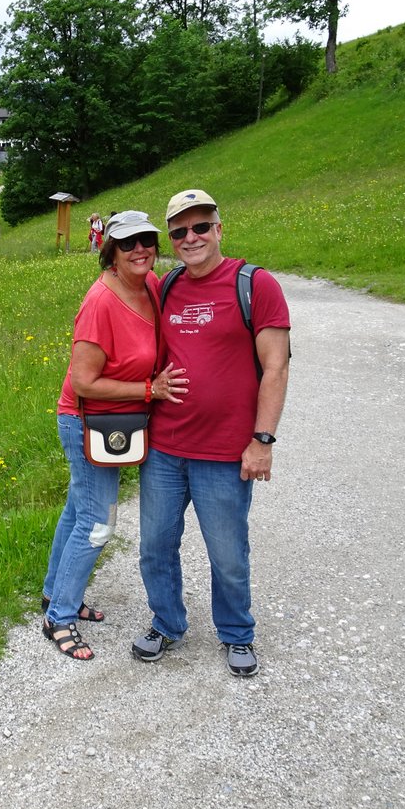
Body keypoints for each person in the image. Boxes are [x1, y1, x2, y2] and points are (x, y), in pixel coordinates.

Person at [134, 189, 291, 677]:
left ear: (219, 229)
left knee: (226, 551)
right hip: (164, 447)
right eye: (179, 231)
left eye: (201, 227)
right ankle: (167, 621)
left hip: (224, 452)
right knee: (155, 544)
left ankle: (237, 633)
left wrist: (261, 441)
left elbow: (276, 367)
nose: (191, 238)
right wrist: (148, 387)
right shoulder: (169, 286)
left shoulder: (254, 284)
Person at [41, 210, 188, 660]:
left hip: (117, 422)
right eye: (128, 244)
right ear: (111, 253)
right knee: (98, 521)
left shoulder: (152, 286)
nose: (140, 249)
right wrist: (149, 389)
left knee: (78, 509)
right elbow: (83, 381)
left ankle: (53, 593)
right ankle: (59, 618)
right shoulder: (101, 303)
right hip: (87, 421)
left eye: (147, 239)